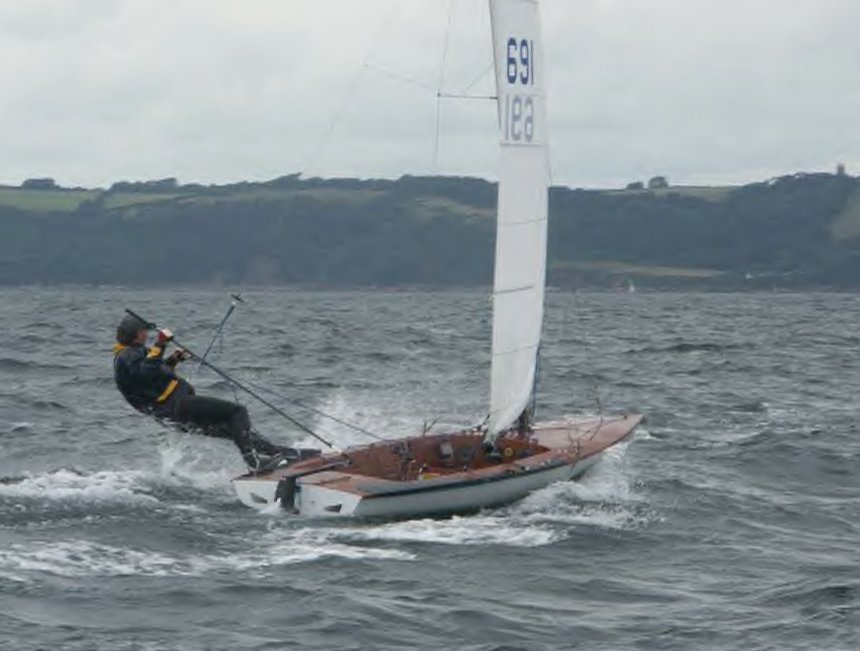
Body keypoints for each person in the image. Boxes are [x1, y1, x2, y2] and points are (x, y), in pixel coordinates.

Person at [112, 313, 310, 471]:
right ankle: (255, 464)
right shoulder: (128, 356)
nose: (147, 335)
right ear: (137, 334)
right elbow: (148, 371)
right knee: (237, 413)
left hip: (173, 413)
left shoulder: (131, 356)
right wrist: (161, 343)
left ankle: (288, 455)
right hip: (178, 407)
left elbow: (153, 378)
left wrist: (174, 360)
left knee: (238, 431)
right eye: (144, 332)